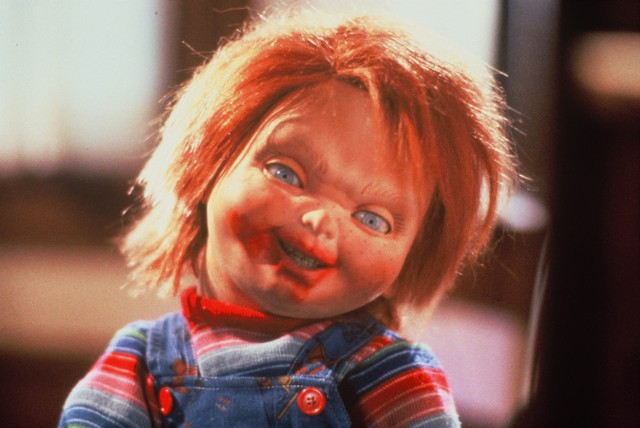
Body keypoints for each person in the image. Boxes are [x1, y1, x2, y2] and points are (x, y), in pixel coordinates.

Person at [59, 8, 516, 428]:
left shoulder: (388, 374)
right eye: (286, 173)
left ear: (413, 256)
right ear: (209, 163)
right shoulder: (140, 361)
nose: (321, 220)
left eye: (373, 219)